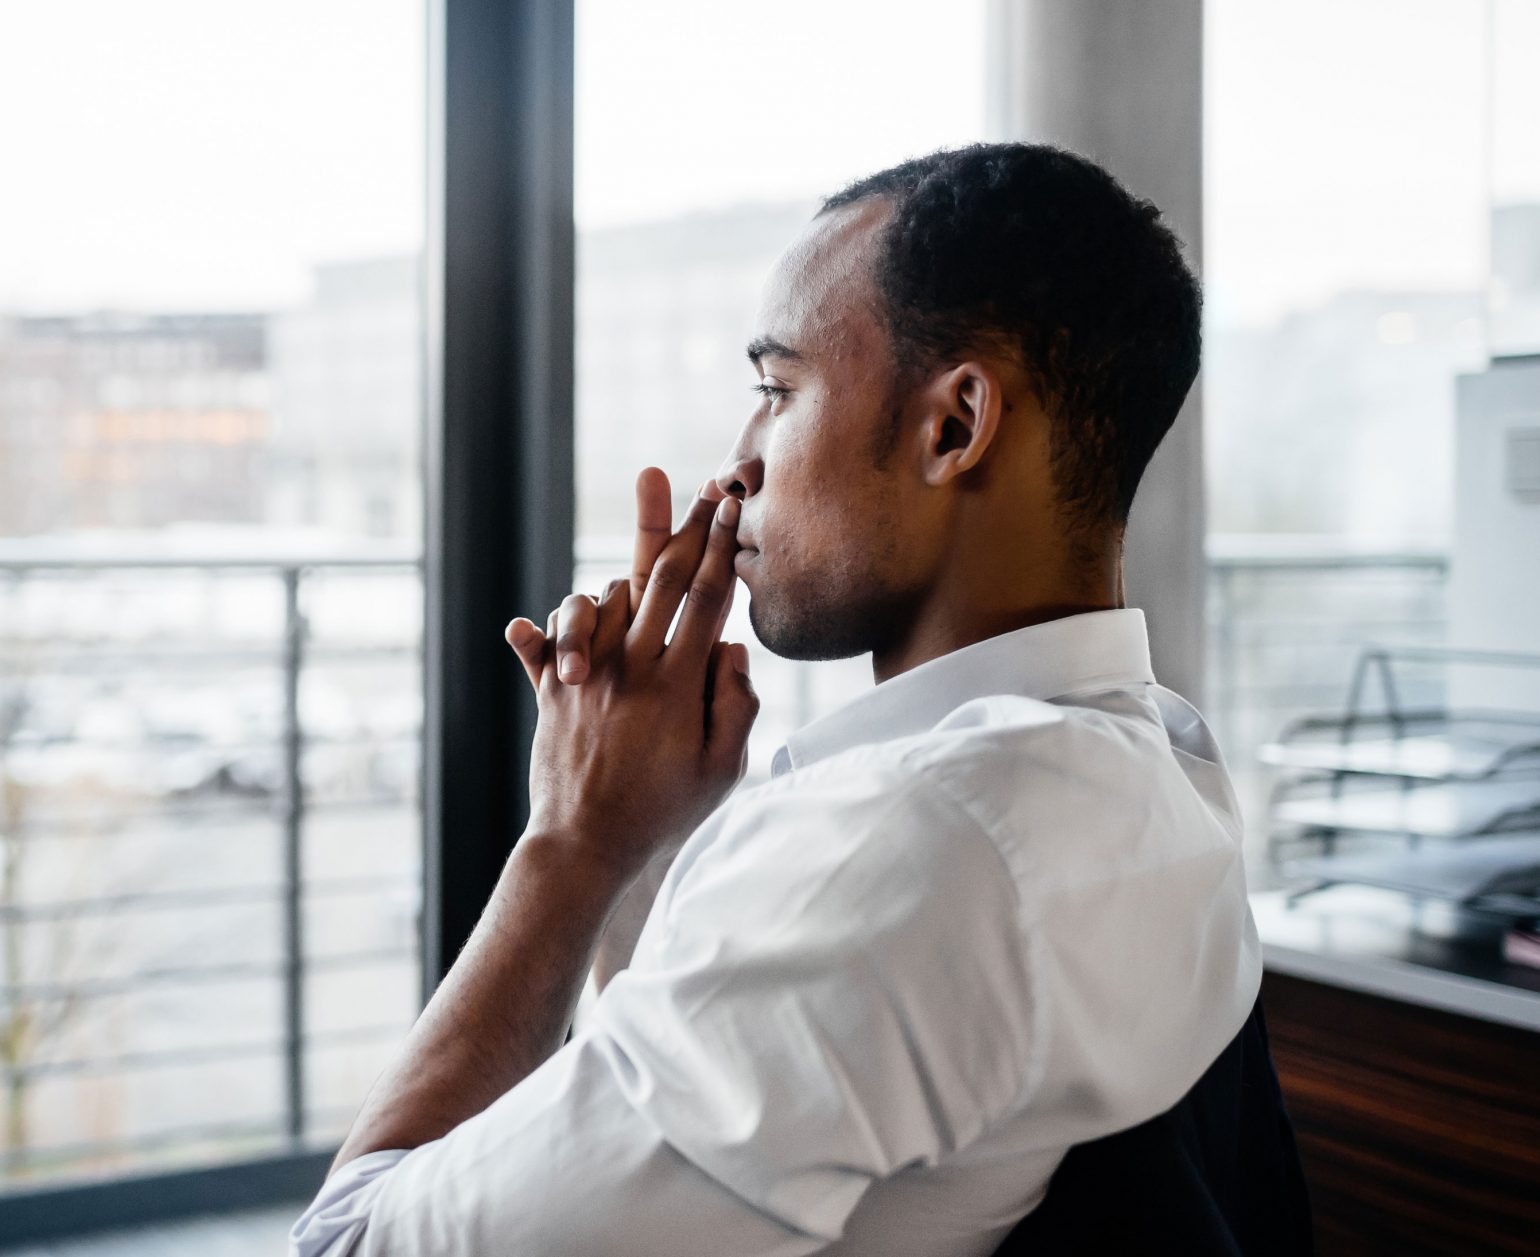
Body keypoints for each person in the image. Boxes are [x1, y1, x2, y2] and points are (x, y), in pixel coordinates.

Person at [290, 142, 1307, 1256]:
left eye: (777, 392)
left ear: (954, 427)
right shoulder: (1160, 761)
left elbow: (349, 1243)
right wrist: (640, 839)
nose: (734, 467)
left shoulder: (916, 847)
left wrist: (569, 844)